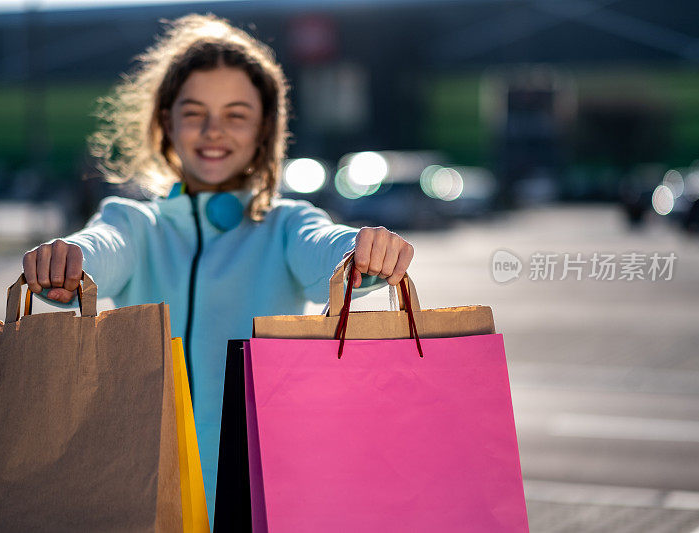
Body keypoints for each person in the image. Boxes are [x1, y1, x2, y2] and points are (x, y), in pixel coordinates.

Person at [21, 13, 414, 525]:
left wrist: (359, 249)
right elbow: (102, 246)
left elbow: (324, 247)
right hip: (143, 486)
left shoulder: (285, 224)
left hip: (264, 491)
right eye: (194, 113)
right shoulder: (136, 222)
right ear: (166, 121)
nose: (213, 132)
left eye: (236, 114)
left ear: (264, 128)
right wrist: (69, 261)